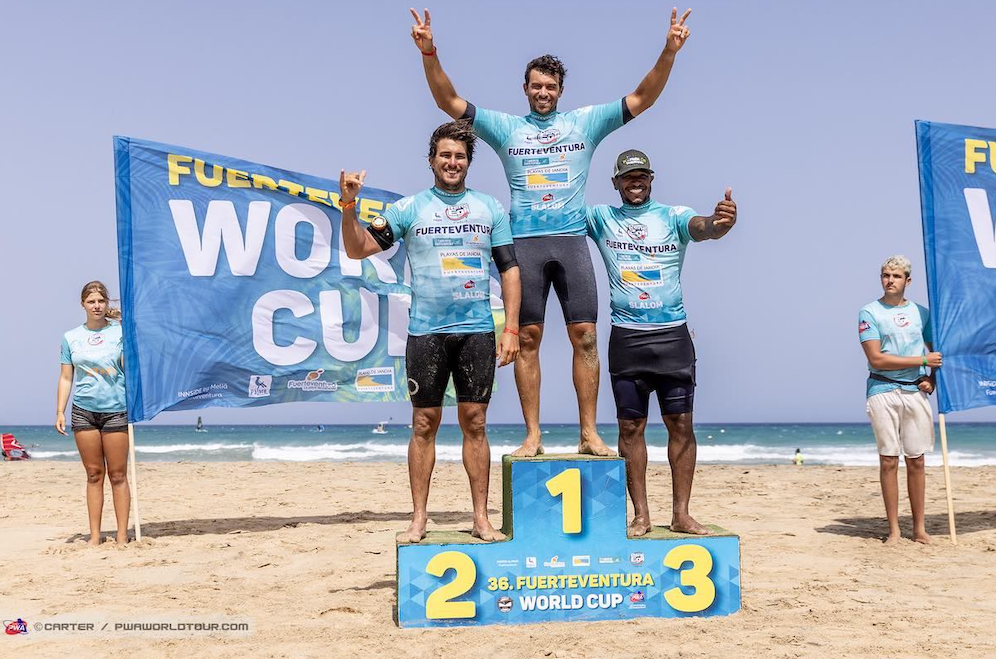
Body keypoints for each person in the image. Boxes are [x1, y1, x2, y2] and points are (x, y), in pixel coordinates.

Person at [409, 7, 693, 457]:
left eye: (551, 86)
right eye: (536, 86)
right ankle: (533, 436)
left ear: (561, 91)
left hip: (571, 242)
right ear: (525, 89)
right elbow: (450, 100)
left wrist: (669, 51)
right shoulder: (506, 129)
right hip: (526, 244)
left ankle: (588, 433)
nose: (543, 92)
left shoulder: (584, 123)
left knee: (585, 335)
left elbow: (642, 97)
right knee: (527, 339)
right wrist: (429, 51)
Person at [339, 120, 521, 543]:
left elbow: (510, 270)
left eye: (459, 156)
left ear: (468, 162)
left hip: (476, 330)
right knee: (424, 422)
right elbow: (356, 249)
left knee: (475, 421)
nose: (452, 162)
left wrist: (510, 327)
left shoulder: (489, 208)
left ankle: (480, 518)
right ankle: (419, 518)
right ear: (431, 160)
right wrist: (349, 206)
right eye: (445, 155)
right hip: (426, 333)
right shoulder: (410, 209)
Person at [585, 149, 736, 536]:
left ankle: (681, 513)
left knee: (681, 424)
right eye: (628, 177)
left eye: (642, 176)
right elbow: (561, 218)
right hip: (627, 339)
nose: (635, 182)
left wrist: (720, 224)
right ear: (616, 183)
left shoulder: (673, 216)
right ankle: (641, 514)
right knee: (630, 428)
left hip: (672, 338)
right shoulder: (602, 218)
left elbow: (703, 228)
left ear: (652, 179)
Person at [859, 255, 941, 545]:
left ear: (908, 280)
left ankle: (919, 528)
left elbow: (937, 352)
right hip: (882, 390)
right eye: (885, 275)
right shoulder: (869, 312)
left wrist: (931, 377)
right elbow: (876, 358)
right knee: (889, 460)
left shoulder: (923, 313)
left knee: (917, 460)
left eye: (895, 276)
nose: (889, 280)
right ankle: (894, 529)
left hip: (914, 391)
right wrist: (921, 359)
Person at [55, 281, 130, 545]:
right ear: (82, 305)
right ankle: (95, 537)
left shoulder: (122, 332)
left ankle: (122, 536)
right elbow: (66, 377)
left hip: (116, 410)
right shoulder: (71, 337)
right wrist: (60, 411)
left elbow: (128, 368)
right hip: (83, 411)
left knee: (118, 475)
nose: (97, 306)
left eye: (101, 301)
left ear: (106, 303)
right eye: (91, 302)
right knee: (94, 474)